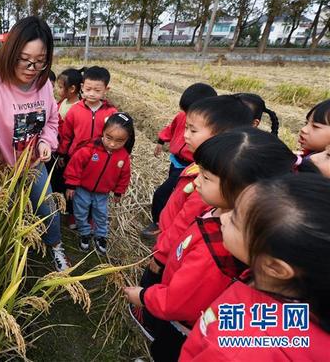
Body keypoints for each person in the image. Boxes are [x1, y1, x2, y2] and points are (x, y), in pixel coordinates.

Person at [125, 127, 297, 361]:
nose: (196, 182)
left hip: (184, 326)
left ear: (246, 192)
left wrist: (144, 296)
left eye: (206, 177)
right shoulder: (218, 210)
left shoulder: (220, 249)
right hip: (181, 306)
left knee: (167, 352)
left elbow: (178, 302)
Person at [0, 16, 70, 271]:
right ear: (10, 52)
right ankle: (13, 262)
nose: (31, 67)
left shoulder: (42, 85)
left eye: (40, 61)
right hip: (2, 170)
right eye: (24, 59)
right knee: (5, 217)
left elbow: (52, 120)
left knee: (47, 205)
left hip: (32, 164)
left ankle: (55, 246)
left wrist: (46, 141)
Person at [180, 174, 330, 361]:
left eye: (235, 220)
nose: (224, 218)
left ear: (275, 267)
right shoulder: (286, 288)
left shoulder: (237, 349)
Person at [142, 96, 253, 289]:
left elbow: (184, 221)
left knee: (154, 289)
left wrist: (160, 257)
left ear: (223, 136)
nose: (185, 135)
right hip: (169, 240)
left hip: (173, 254)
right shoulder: (199, 166)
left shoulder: (208, 186)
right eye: (186, 127)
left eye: (193, 130)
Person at [142, 83, 217, 240]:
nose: (187, 133)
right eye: (186, 111)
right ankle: (163, 221)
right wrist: (161, 141)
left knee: (162, 194)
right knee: (172, 194)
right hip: (175, 161)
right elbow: (171, 128)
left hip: (189, 168)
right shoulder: (182, 116)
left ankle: (158, 224)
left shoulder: (209, 128)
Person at [64, 112, 134, 254]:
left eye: (120, 141)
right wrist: (71, 185)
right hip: (82, 189)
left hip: (103, 193)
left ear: (127, 139)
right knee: (80, 212)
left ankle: (101, 235)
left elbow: (124, 176)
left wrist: (119, 192)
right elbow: (74, 166)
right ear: (103, 132)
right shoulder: (90, 149)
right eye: (109, 138)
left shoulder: (123, 157)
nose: (113, 144)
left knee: (101, 214)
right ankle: (84, 233)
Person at [57, 66, 119, 159]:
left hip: (99, 158)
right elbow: (67, 136)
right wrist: (62, 154)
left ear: (106, 89)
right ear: (82, 87)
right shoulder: (74, 110)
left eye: (97, 90)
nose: (92, 94)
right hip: (75, 156)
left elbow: (116, 136)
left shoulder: (111, 112)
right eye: (88, 89)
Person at [50, 67, 84, 229]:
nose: (57, 89)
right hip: (58, 150)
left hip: (70, 154)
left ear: (72, 89)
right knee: (57, 181)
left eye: (60, 86)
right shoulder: (61, 103)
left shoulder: (78, 108)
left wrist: (64, 155)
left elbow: (73, 136)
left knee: (70, 184)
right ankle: (57, 208)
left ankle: (71, 214)